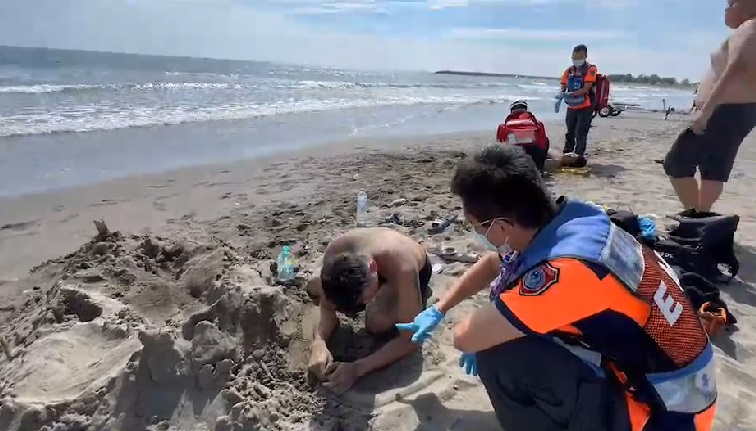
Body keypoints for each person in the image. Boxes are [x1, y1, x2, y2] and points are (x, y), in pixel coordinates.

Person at [397, 145, 716, 431]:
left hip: (667, 414)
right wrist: (439, 309)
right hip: (676, 383)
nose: (477, 233)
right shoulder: (577, 220)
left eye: (476, 226)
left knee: (498, 352)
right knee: (519, 329)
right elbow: (498, 262)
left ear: (503, 226)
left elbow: (466, 336)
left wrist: (482, 336)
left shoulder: (566, 271)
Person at [306, 227, 433, 393]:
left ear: (373, 268)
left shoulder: (403, 268)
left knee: (377, 322)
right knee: (313, 285)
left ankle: (412, 298)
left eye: (365, 300)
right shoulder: (335, 252)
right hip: (374, 257)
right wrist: (319, 341)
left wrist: (358, 368)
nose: (361, 307)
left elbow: (411, 338)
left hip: (412, 270)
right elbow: (326, 307)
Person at [663, 0, 756, 216]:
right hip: (738, 110)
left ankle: (695, 214)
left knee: (676, 163)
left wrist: (706, 111)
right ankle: (702, 216)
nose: (726, 8)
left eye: (731, 3)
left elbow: (737, 68)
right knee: (714, 166)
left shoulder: (749, 27)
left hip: (724, 109)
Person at [559, 44, 598, 167]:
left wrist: (570, 94)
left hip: (586, 106)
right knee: (570, 131)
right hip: (572, 106)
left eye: (579, 57)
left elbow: (586, 88)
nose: (576, 60)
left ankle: (578, 156)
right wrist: (560, 96)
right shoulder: (569, 71)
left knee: (581, 131)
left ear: (585, 56)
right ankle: (567, 154)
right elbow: (563, 85)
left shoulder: (591, 70)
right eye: (574, 57)